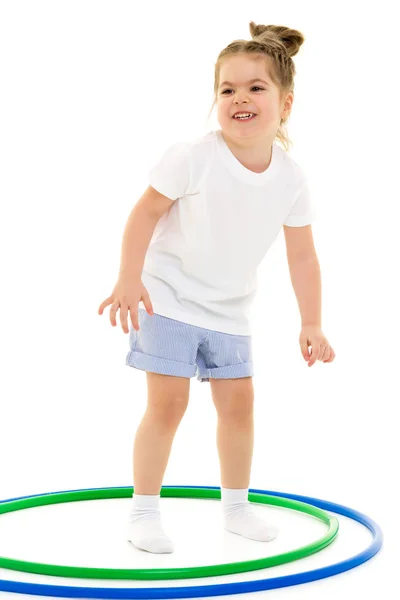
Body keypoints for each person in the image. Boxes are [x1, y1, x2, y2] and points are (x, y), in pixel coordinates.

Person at [98, 21, 335, 554]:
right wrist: (128, 278)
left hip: (230, 310)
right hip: (168, 297)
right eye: (227, 89)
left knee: (240, 405)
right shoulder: (193, 156)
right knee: (168, 404)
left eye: (256, 87)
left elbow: (303, 255)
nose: (240, 98)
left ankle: (235, 507)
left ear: (286, 104)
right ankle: (143, 512)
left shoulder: (291, 178)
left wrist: (312, 321)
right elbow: (143, 215)